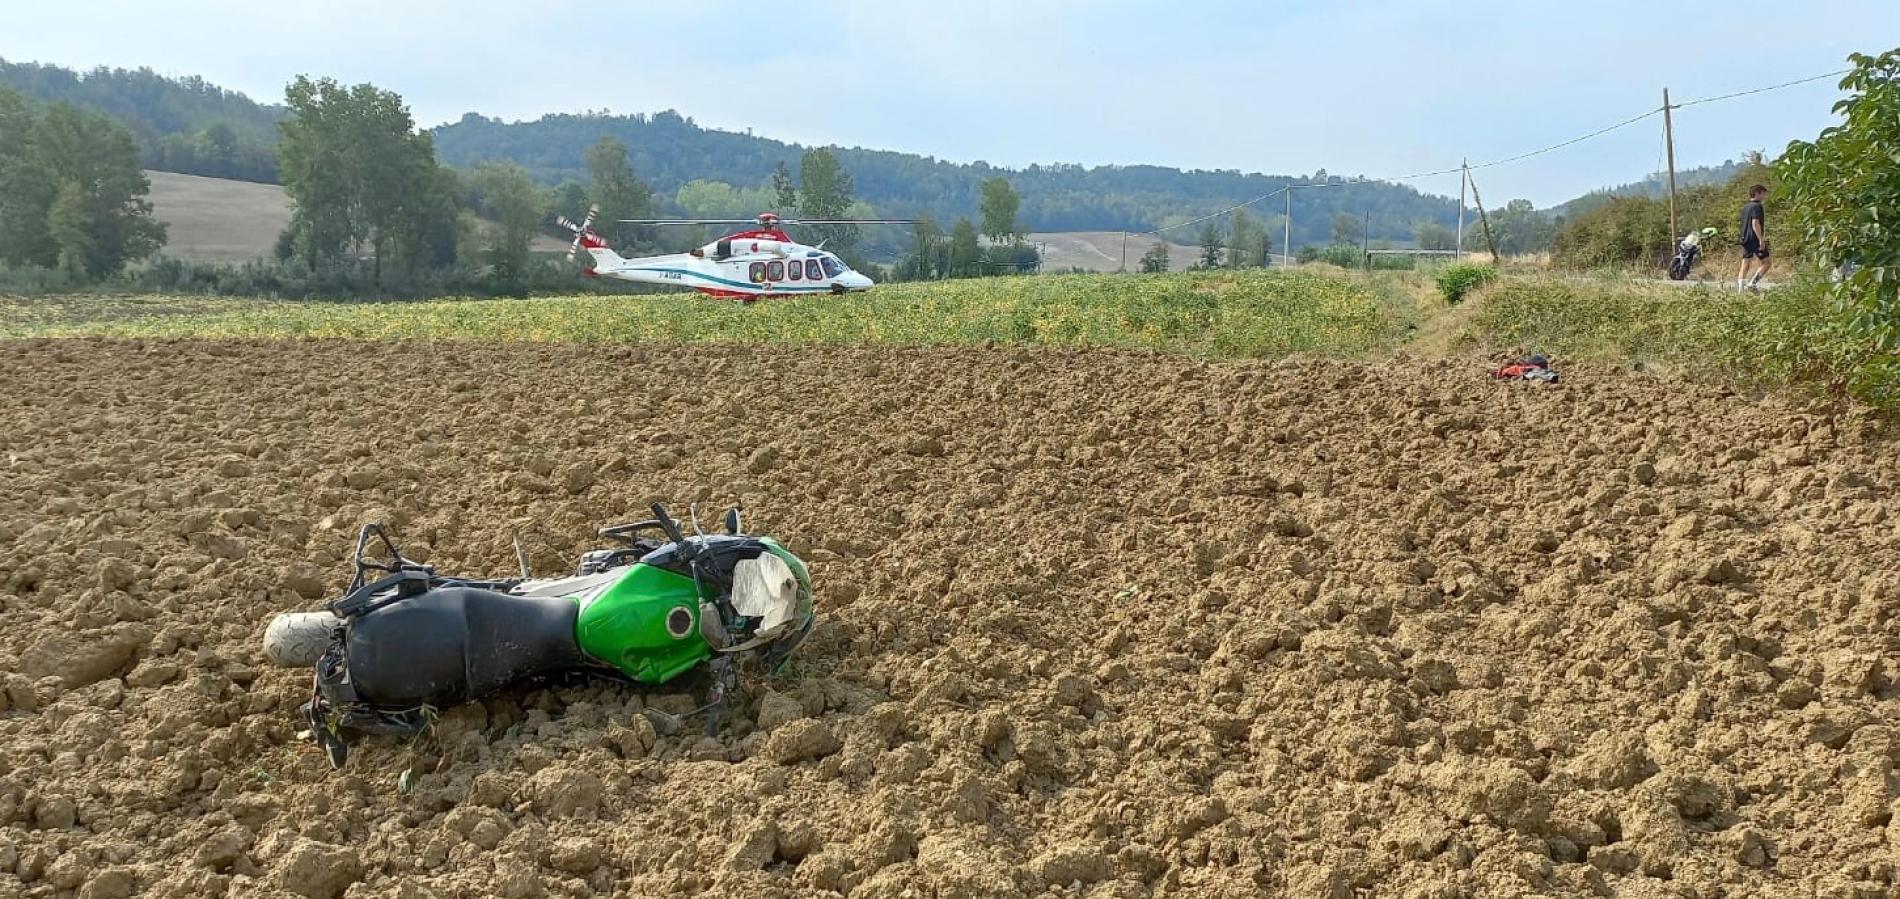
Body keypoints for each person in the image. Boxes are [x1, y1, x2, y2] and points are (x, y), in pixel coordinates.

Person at [1737, 185, 1770, 291]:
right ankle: (1752, 283)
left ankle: (1740, 292)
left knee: (1745, 263)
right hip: (1754, 238)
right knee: (1767, 262)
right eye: (1763, 194)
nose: (1764, 196)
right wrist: (1761, 239)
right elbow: (1755, 223)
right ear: (1757, 193)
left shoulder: (1746, 207)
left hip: (1744, 238)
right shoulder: (1757, 206)